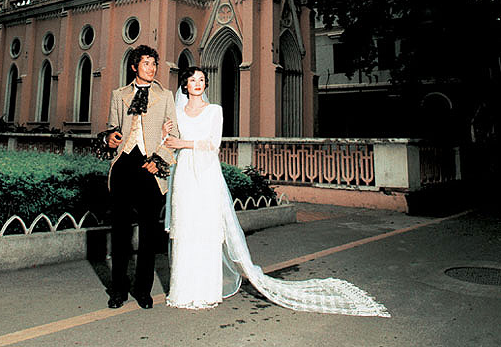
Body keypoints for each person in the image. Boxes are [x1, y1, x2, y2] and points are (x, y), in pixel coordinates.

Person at [163, 66, 390, 317]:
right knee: (186, 228)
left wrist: (182, 143)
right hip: (184, 174)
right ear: (185, 85)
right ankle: (182, 290)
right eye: (193, 80)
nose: (198, 83)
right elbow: (167, 141)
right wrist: (165, 135)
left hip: (206, 175)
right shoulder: (177, 113)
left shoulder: (214, 110)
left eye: (202, 79)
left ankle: (206, 291)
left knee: (206, 230)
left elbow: (212, 144)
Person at [105, 45, 179, 310]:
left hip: (150, 168)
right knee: (120, 232)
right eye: (146, 63)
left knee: (149, 234)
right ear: (134, 66)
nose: (152, 68)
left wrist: (158, 160)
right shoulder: (119, 95)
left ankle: (143, 290)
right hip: (124, 165)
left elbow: (174, 135)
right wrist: (110, 138)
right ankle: (118, 289)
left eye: (154, 64)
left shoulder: (165, 96)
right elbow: (111, 129)